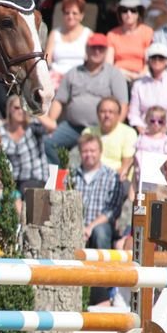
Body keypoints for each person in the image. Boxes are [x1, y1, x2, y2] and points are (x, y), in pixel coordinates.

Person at [40, 35, 126, 161]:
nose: (97, 51)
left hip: (100, 128)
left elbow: (123, 105)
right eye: (93, 48)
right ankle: (58, 178)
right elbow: (59, 100)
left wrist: (115, 129)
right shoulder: (73, 73)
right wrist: (51, 122)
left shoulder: (114, 74)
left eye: (100, 48)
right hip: (73, 126)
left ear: (106, 51)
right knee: (49, 143)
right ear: (86, 49)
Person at [70, 134, 123, 306]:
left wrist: (90, 227)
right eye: (85, 151)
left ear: (100, 152)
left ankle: (105, 282)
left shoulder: (111, 176)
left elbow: (113, 210)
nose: (89, 154)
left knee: (101, 231)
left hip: (99, 226)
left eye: (93, 150)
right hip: (76, 227)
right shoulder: (72, 176)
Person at [128, 42, 167, 132]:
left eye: (161, 58)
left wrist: (165, 129)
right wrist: (140, 128)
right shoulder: (139, 84)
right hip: (143, 129)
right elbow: (133, 113)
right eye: (154, 58)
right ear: (148, 61)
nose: (157, 60)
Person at [42, 0, 92, 91]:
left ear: (81, 15)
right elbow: (47, 59)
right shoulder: (55, 33)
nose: (70, 16)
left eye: (74, 13)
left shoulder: (88, 34)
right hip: (56, 78)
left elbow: (90, 60)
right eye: (67, 13)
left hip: (80, 76)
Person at [0, 94, 47, 191]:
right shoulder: (1, 132)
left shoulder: (34, 126)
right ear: (9, 109)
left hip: (35, 179)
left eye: (23, 107)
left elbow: (52, 127)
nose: (21, 111)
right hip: (13, 180)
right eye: (17, 107)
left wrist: (32, 110)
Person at [81, 96, 137, 178]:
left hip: (117, 179)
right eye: (103, 111)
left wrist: (104, 178)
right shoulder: (88, 132)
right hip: (90, 177)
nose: (107, 115)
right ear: (97, 114)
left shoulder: (129, 133)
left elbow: (126, 166)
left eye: (111, 112)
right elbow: (84, 162)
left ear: (118, 115)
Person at [105, 0, 154, 81]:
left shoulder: (148, 32)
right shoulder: (112, 34)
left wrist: (140, 75)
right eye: (124, 10)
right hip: (118, 75)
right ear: (120, 13)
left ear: (139, 13)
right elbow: (108, 64)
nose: (129, 14)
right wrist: (125, 73)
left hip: (142, 76)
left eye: (133, 10)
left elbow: (149, 61)